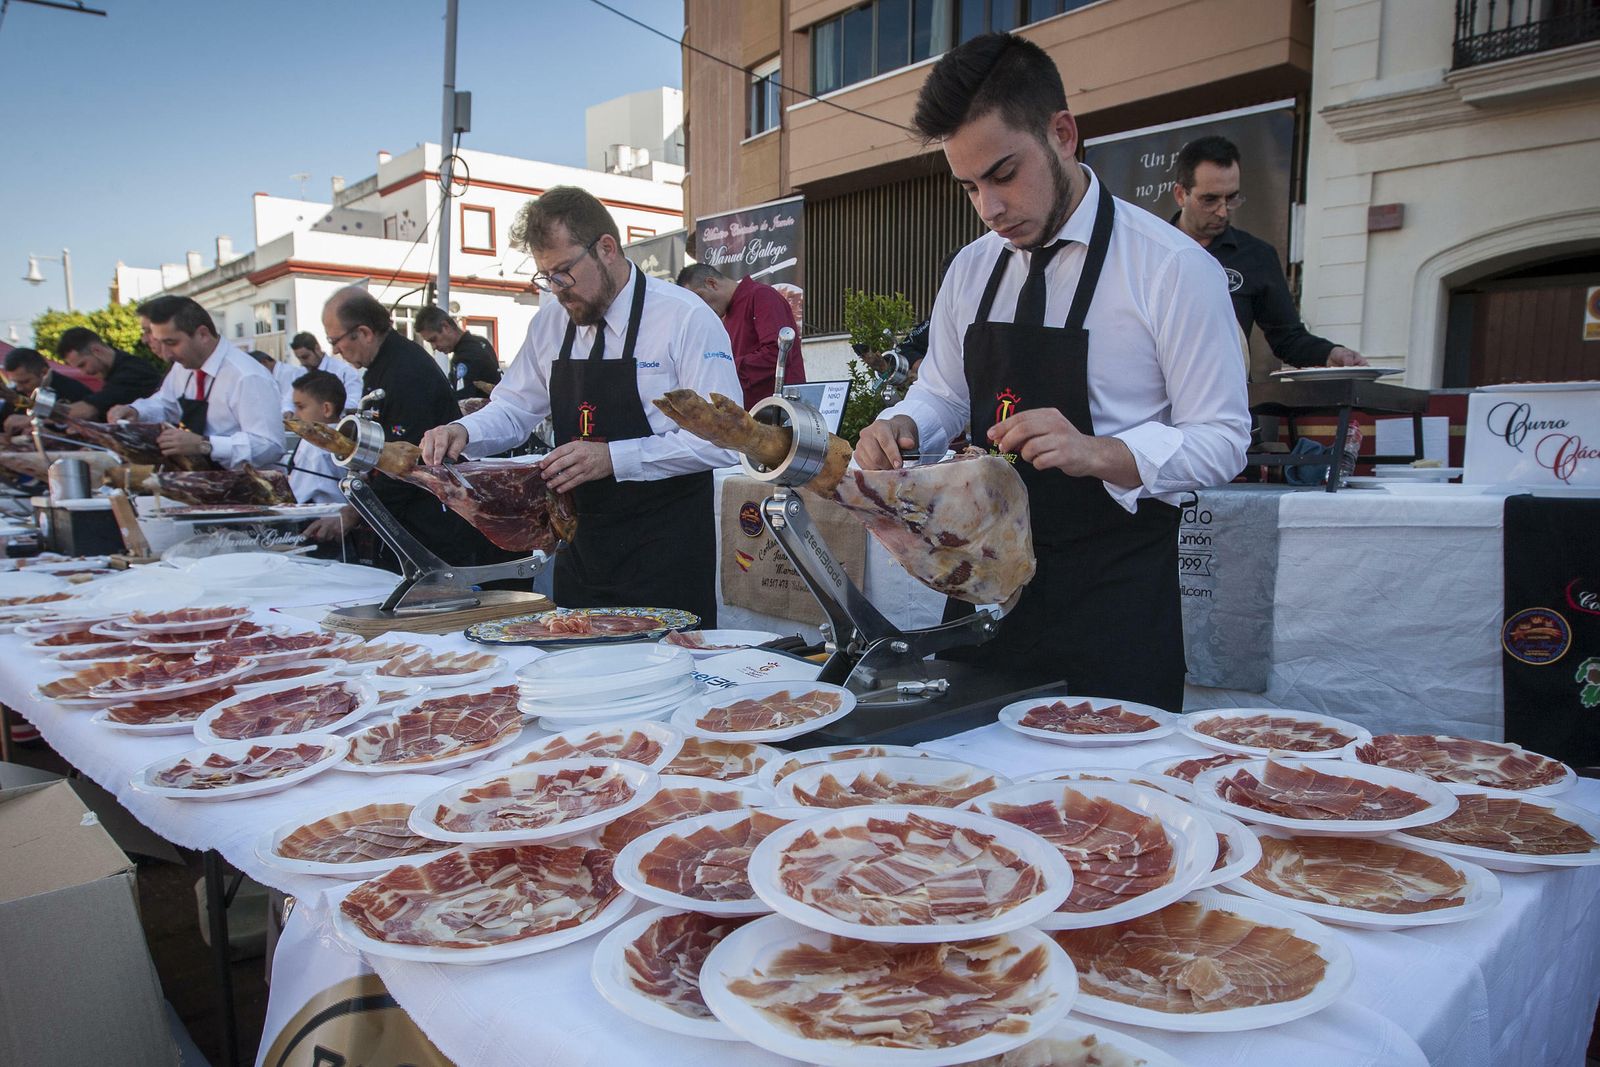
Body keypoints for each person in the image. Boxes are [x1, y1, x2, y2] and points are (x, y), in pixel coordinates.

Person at [855, 33, 1251, 712]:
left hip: (1112, 607)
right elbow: (946, 390)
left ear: (1062, 133)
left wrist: (1100, 451)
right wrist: (903, 422)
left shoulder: (1172, 268)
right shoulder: (971, 268)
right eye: (970, 186)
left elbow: (1223, 437)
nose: (990, 207)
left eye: (1004, 174)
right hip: (982, 597)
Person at [420, 186, 741, 625]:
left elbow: (721, 443)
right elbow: (514, 407)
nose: (556, 290)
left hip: (665, 554)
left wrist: (614, 457)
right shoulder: (551, 322)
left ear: (606, 249)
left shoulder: (684, 318)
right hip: (582, 551)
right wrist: (466, 431)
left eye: (563, 272)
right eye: (545, 277)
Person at [314, 286, 504, 564]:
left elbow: (407, 464)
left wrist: (356, 512)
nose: (334, 350)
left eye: (335, 340)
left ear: (364, 333)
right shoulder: (381, 365)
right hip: (407, 520)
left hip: (430, 526)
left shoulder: (406, 372)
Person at [1171, 136, 1366, 369]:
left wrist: (1330, 353)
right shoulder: (1148, 250)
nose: (1222, 212)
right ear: (1181, 194)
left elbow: (1287, 337)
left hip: (1226, 396)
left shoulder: (1256, 255)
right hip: (1153, 399)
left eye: (1231, 198)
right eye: (1210, 200)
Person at [106, 296, 284, 469]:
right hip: (202, 482)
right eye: (161, 343)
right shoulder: (182, 367)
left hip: (252, 490)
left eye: (172, 343)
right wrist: (136, 411)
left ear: (203, 334)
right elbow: (166, 404)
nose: (167, 354)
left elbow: (269, 446)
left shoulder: (247, 376)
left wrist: (204, 445)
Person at [675, 263, 805, 408]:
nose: (701, 307)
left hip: (780, 410)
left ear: (711, 283)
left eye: (700, 298)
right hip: (751, 413)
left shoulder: (761, 295)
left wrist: (724, 367)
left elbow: (778, 353)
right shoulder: (726, 315)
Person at [54, 327, 165, 420]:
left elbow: (88, 410)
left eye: (83, 365)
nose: (84, 372)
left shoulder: (131, 371)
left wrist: (47, 411)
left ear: (96, 351)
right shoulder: (118, 370)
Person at [284, 370, 347, 506]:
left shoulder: (313, 446)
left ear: (326, 409)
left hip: (319, 519)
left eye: (301, 407)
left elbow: (296, 497)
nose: (296, 415)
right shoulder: (347, 434)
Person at [415, 306, 502, 403]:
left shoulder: (466, 356)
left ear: (446, 327)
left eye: (433, 339)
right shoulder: (480, 342)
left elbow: (462, 402)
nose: (434, 347)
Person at [2, 348, 93, 435]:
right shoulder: (15, 394)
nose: (19, 388)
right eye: (15, 382)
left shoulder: (74, 390)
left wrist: (52, 436)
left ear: (44, 372)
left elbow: (94, 432)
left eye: (25, 382)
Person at [289, 331, 363, 411]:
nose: (302, 363)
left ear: (317, 348)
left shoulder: (344, 371)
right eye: (299, 358)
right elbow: (289, 399)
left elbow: (354, 401)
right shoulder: (300, 373)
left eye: (305, 357)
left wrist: (329, 411)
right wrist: (288, 410)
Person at [249, 349, 304, 414]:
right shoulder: (268, 377)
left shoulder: (288, 372)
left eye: (256, 369)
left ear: (265, 362)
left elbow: (288, 399)